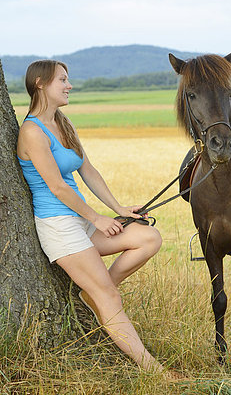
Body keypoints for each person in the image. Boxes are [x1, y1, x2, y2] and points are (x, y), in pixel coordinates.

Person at [16, 60, 167, 374]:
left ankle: (92, 294)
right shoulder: (32, 131)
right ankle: (155, 372)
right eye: (63, 80)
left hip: (80, 220)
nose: (69, 85)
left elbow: (89, 171)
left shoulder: (63, 122)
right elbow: (56, 186)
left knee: (148, 237)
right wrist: (97, 219)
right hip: (59, 225)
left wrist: (119, 209)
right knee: (110, 296)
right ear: (41, 83)